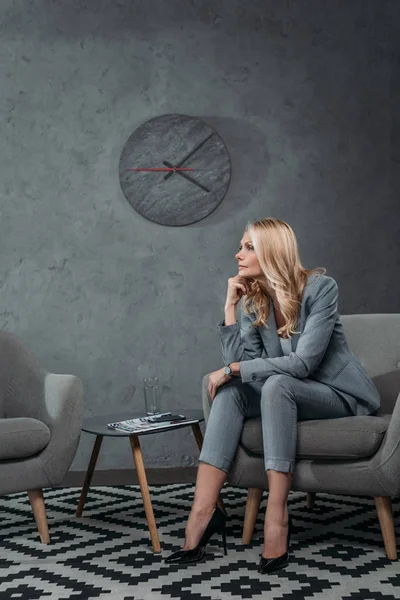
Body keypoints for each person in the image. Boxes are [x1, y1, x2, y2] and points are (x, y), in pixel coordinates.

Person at [165, 217, 380, 574]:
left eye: (248, 247)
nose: (238, 254)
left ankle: (277, 515)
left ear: (272, 250)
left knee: (273, 383)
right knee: (233, 390)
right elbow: (243, 366)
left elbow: (303, 365)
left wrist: (234, 370)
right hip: (287, 395)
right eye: (240, 246)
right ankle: (203, 513)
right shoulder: (255, 301)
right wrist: (229, 312)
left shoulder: (320, 289)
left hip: (339, 396)